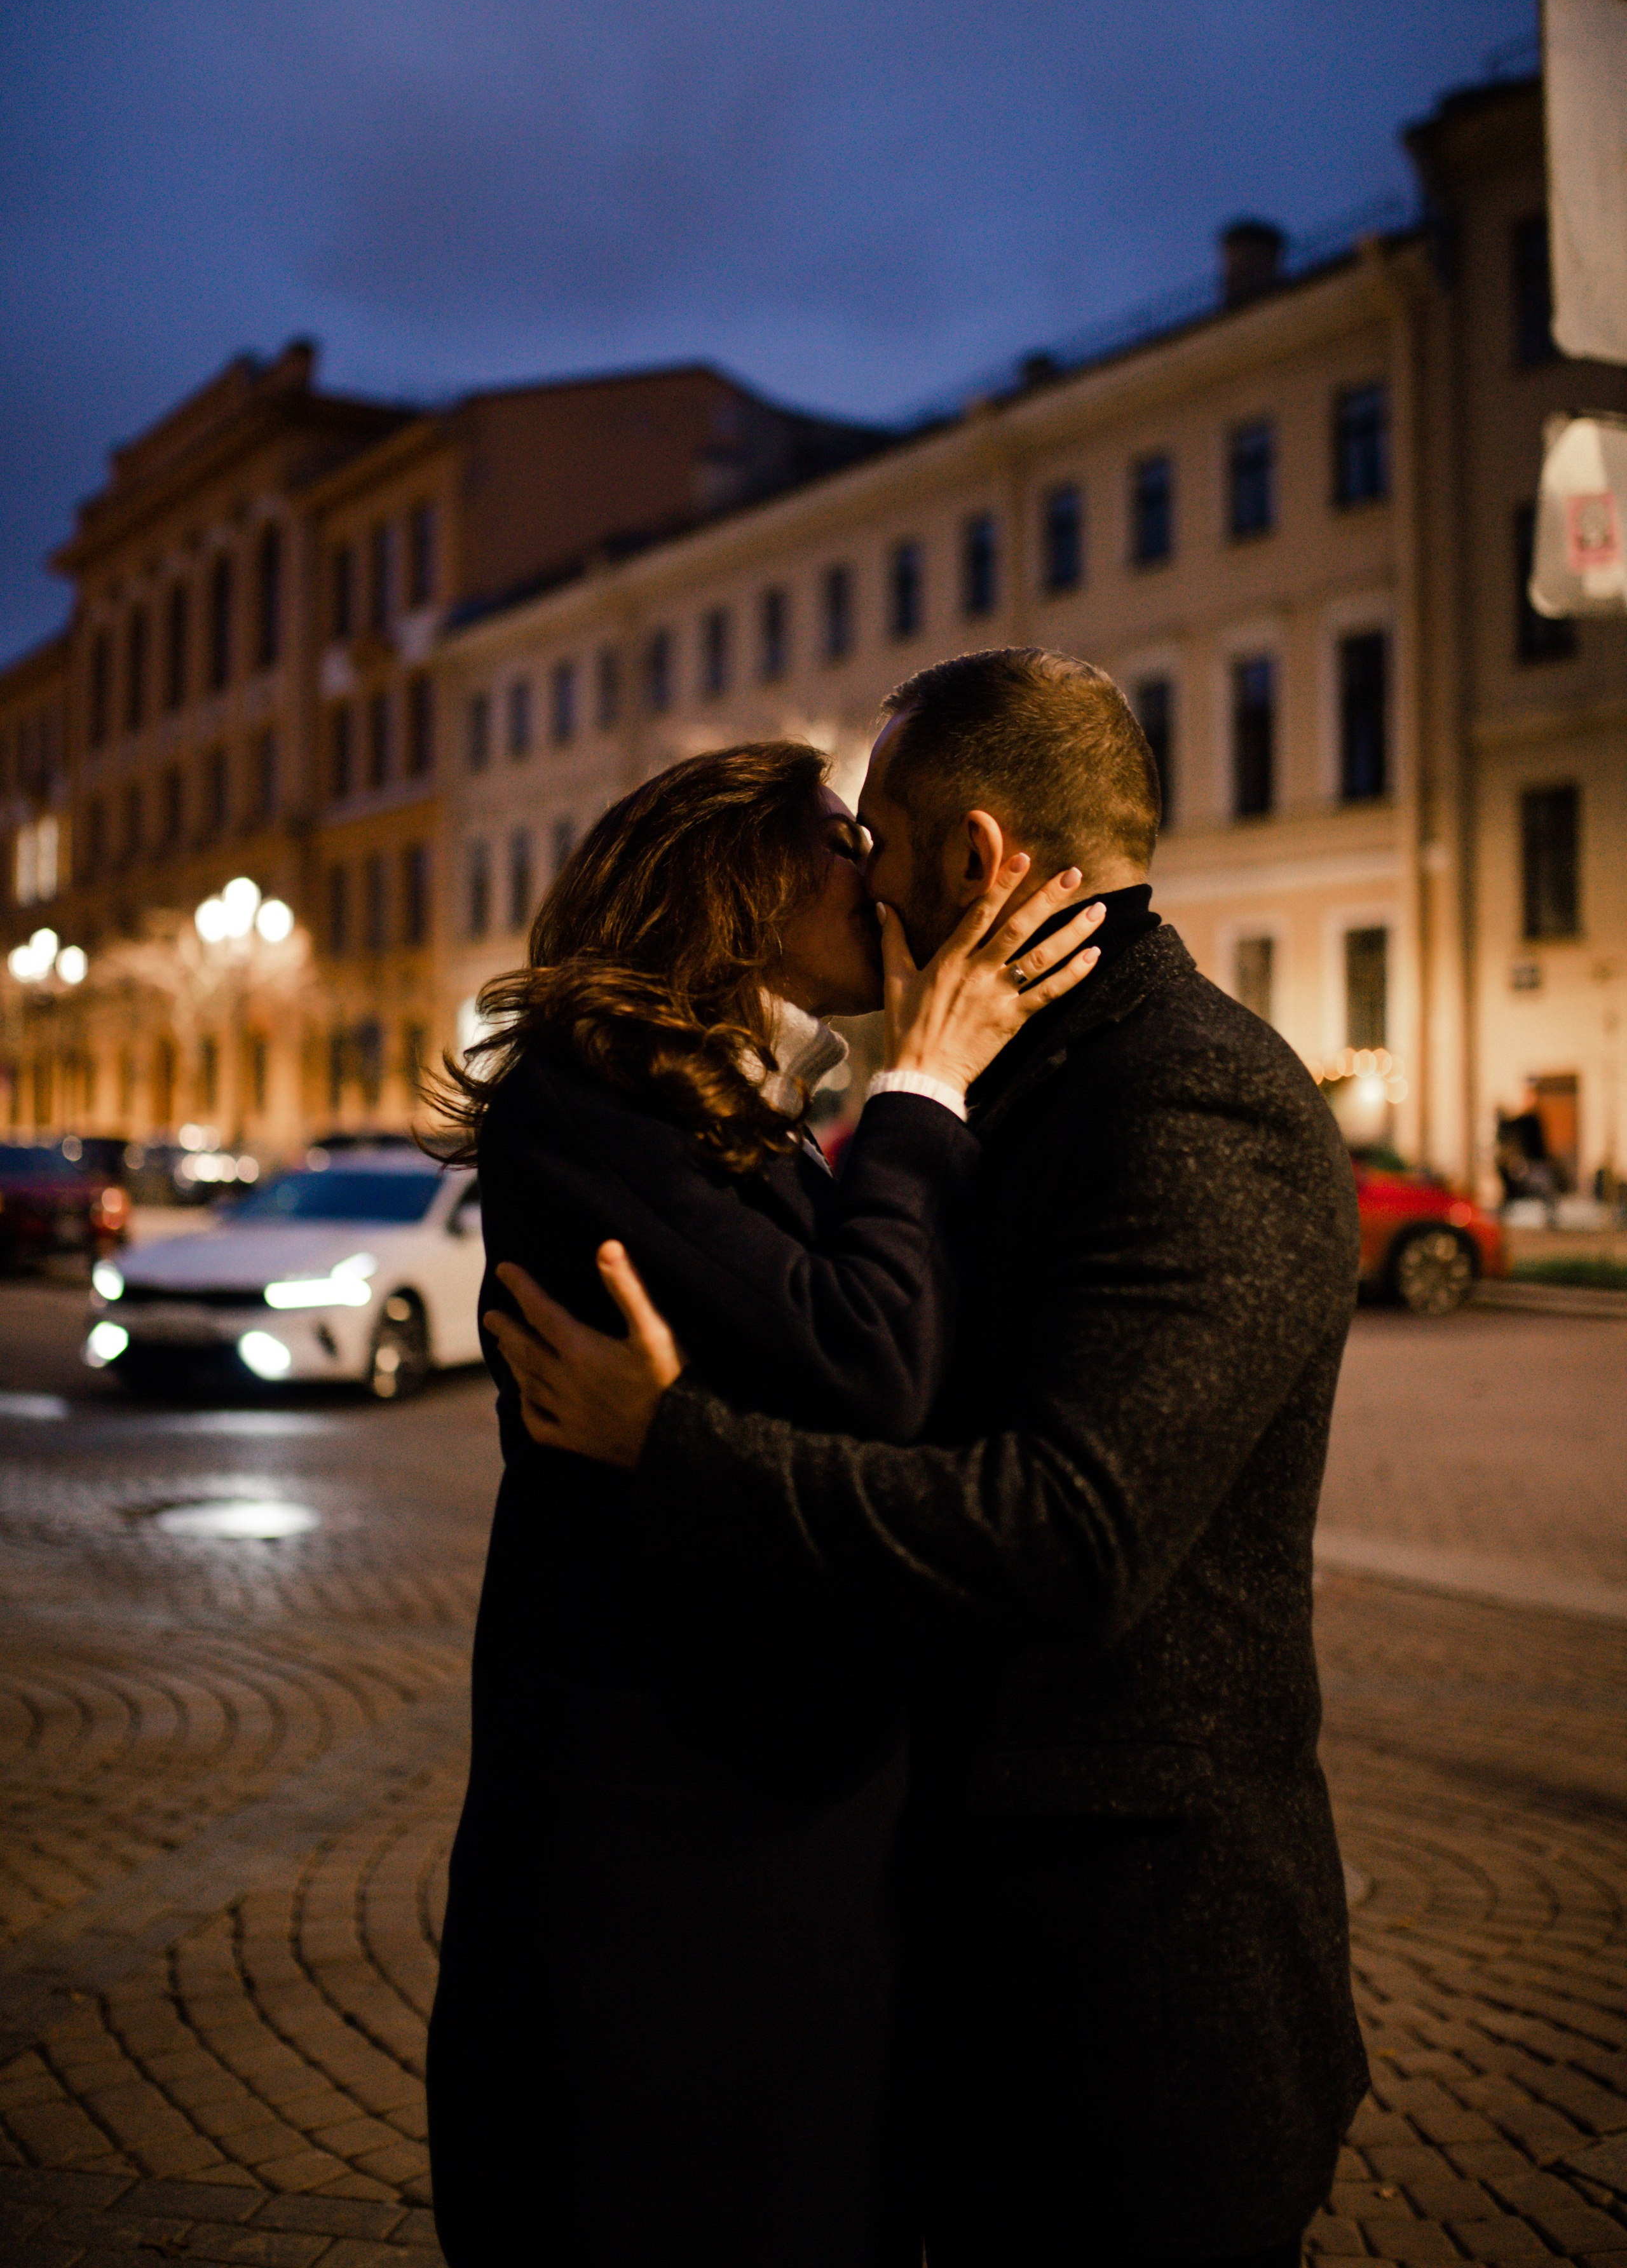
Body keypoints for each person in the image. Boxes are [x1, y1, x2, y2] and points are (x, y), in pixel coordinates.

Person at [492, 649, 1372, 2268]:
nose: (862, 875)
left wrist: (672, 1445)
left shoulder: (1190, 1098)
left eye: (873, 838)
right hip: (954, 1978)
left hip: (1128, 2009)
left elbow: (1068, 1535)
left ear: (972, 858)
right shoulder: (1003, 1081)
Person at [424, 737, 1103, 2268]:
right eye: (839, 839)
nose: (874, 869)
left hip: (756, 1843)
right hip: (663, 1875)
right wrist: (923, 1082)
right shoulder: (588, 1104)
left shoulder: (731, 1104)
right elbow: (868, 1363)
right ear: (740, 880)